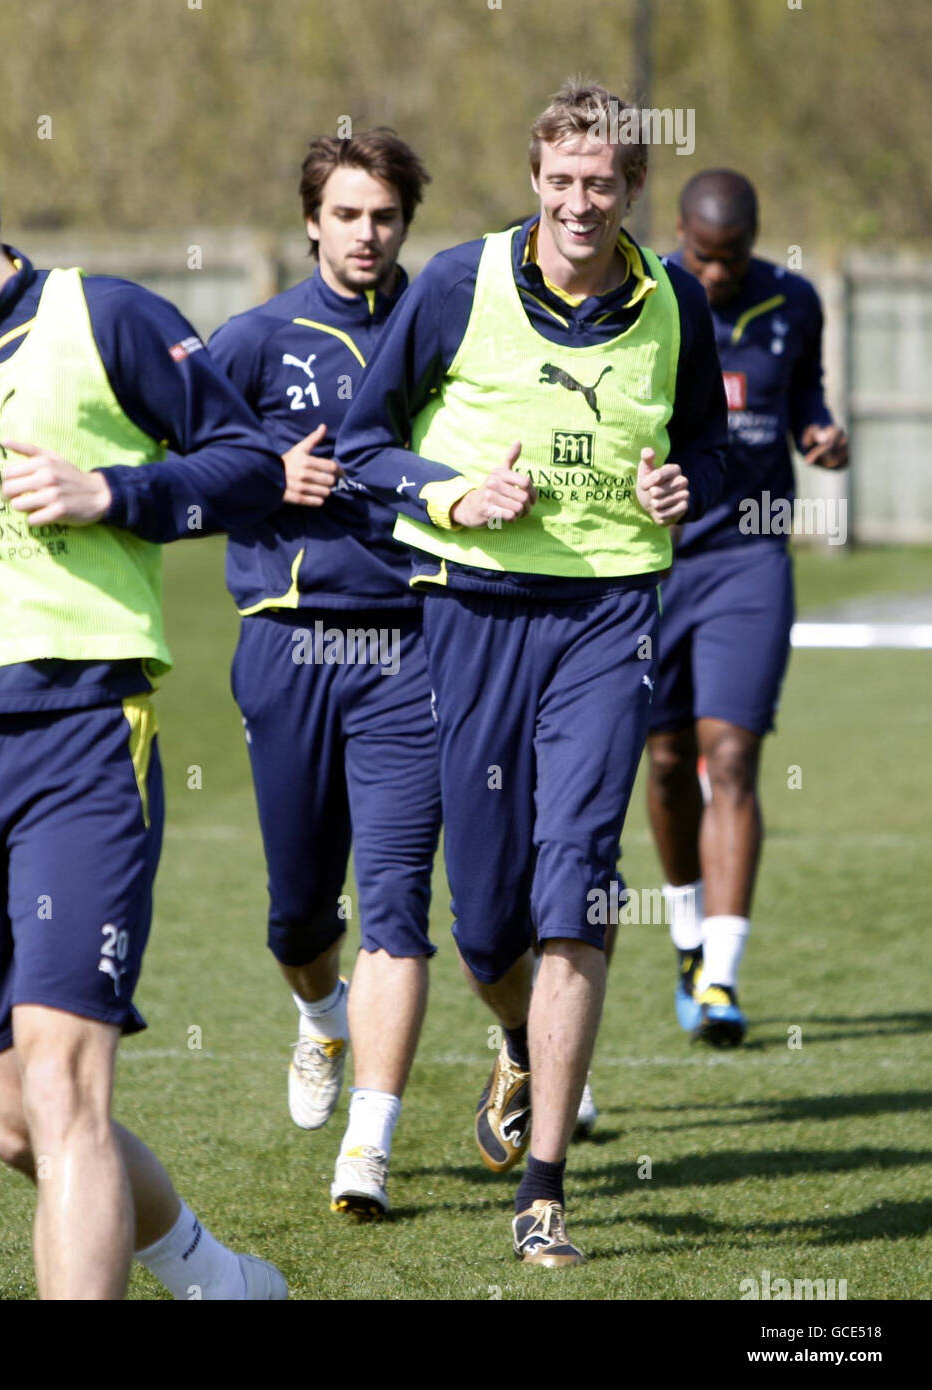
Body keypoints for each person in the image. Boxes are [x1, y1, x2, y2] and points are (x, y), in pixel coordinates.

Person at [0, 109, 288, 1300]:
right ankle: (213, 1274)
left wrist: (114, 490)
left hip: (81, 736)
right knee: (18, 1123)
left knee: (69, 1090)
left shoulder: (107, 317)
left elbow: (248, 465)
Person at [337, 80, 728, 1265]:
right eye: (558, 182)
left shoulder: (676, 308)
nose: (577, 204)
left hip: (610, 615)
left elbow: (706, 444)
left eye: (600, 185)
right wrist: (455, 492)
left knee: (577, 879)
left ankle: (543, 1191)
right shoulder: (458, 284)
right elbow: (364, 447)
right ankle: (515, 1040)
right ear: (533, 180)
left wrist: (685, 489)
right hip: (474, 609)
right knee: (486, 920)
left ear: (633, 190)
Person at [208, 130, 439, 1217]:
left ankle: (369, 1148)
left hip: (411, 644)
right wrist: (264, 472)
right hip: (289, 644)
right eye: (347, 214)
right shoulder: (251, 340)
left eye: (385, 215)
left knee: (397, 901)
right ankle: (318, 1015)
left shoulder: (444, 330)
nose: (367, 234)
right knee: (300, 915)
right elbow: (177, 477)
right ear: (313, 219)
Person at [646, 170, 849, 1046]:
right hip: (648, 561)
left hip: (749, 557)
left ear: (754, 241)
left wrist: (819, 429)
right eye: (701, 256)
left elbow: (804, 390)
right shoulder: (644, 293)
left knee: (729, 757)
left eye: (730, 259)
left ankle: (721, 975)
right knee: (665, 760)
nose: (715, 275)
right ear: (679, 237)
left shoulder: (794, 301)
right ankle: (686, 935)